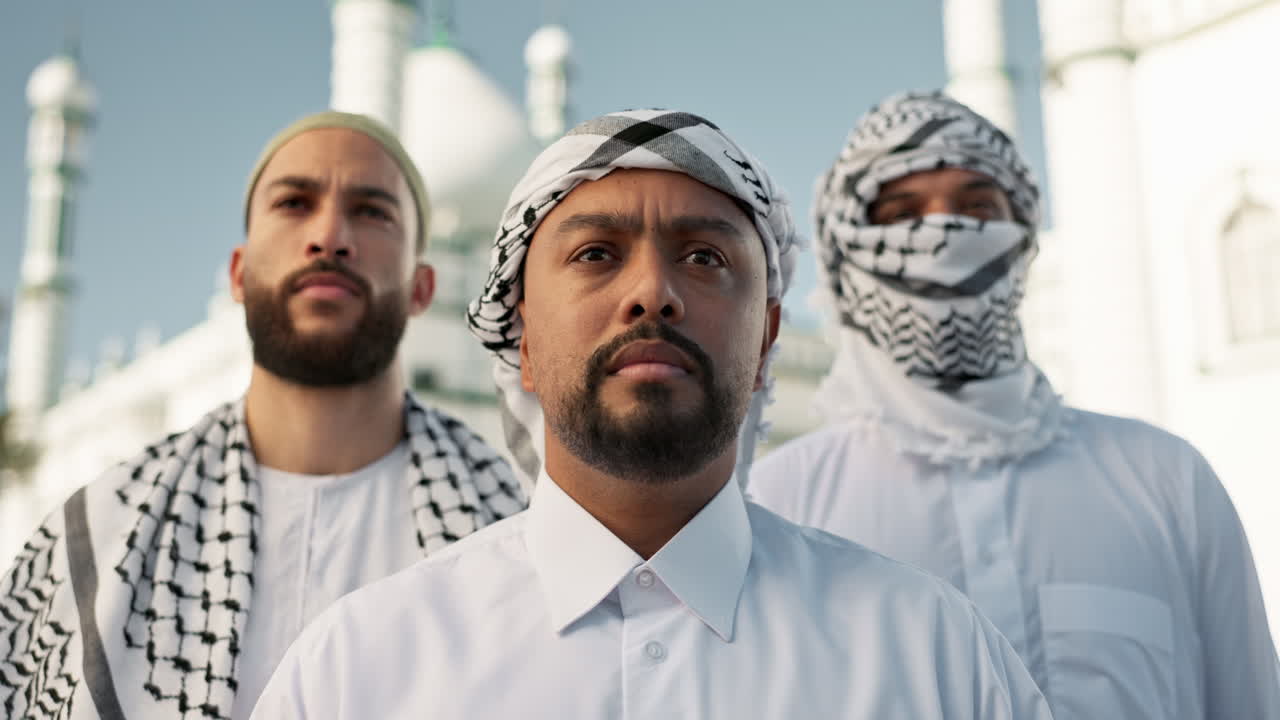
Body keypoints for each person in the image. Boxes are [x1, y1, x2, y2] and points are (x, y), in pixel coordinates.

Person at [250, 108, 1054, 719]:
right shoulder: (358, 673)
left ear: (766, 339)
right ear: (522, 337)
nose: (652, 293)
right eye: (596, 254)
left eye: (704, 257)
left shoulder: (933, 657)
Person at [750, 91, 1280, 719]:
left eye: (977, 207)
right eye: (902, 213)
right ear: (844, 254)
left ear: (1024, 237)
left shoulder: (1167, 480)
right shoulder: (777, 503)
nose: (945, 234)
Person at [0, 111, 525, 720]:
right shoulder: (97, 536)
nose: (330, 236)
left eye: (371, 211)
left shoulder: (513, 536)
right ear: (238, 274)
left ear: (422, 288)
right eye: (295, 203)